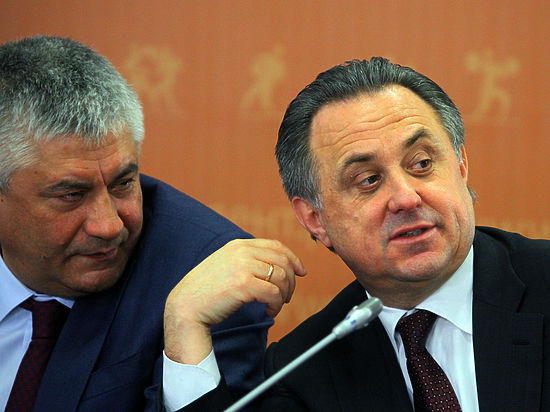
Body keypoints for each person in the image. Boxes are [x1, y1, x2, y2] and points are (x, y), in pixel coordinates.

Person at [0, 35, 305, 412]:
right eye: (71, 195)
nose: (109, 226)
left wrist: (184, 326)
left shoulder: (205, 274)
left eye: (123, 183)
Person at [259, 58, 550, 411]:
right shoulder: (301, 372)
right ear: (315, 219)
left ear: (461, 166)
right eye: (368, 180)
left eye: (422, 164)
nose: (406, 198)